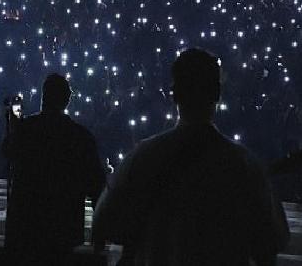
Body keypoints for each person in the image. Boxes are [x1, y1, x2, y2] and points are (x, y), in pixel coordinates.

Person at [93, 48, 290, 266]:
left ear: (174, 93)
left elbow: (103, 223)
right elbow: (271, 241)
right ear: (217, 93)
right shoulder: (245, 165)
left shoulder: (142, 157)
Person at [2, 73, 106, 265]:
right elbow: (96, 185)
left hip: (27, 226)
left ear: (43, 98)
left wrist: (13, 125)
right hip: (63, 228)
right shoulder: (80, 136)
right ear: (66, 101)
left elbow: (8, 152)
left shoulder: (26, 129)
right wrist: (99, 237)